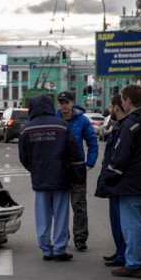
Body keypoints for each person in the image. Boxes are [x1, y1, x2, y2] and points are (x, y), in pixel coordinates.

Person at [101, 84, 141, 278]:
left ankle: (134, 264)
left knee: (132, 225)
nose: (121, 102)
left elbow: (120, 157)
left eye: (122, 99)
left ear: (128, 101)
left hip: (130, 184)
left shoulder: (130, 124)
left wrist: (109, 177)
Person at [19, 94, 87, 262]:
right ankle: (59, 249)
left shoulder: (27, 128)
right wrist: (78, 177)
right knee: (61, 215)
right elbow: (74, 154)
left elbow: (24, 157)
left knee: (42, 216)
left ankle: (46, 250)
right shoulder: (62, 125)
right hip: (61, 178)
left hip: (40, 178)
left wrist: (34, 169)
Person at [55, 90, 99, 251]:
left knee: (79, 206)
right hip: (59, 170)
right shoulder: (54, 119)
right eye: (61, 102)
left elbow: (92, 143)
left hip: (77, 170)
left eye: (66, 102)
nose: (64, 106)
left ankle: (80, 239)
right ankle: (62, 237)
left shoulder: (82, 121)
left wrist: (89, 164)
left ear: (73, 102)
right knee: (60, 207)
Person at [95, 95, 127, 266]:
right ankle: (120, 251)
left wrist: (109, 176)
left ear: (117, 106)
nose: (108, 109)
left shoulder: (125, 126)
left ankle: (124, 255)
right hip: (115, 182)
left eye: (110, 105)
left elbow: (119, 157)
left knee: (122, 221)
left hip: (118, 182)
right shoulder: (119, 126)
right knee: (116, 220)